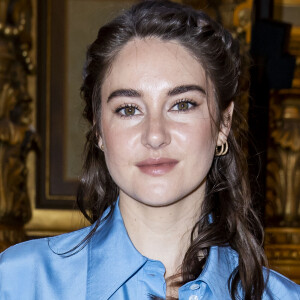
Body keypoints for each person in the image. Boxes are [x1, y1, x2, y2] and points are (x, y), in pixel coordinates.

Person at [0, 0, 299, 299]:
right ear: (99, 130)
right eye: (129, 109)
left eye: (182, 105)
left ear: (223, 123)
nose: (155, 135)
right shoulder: (19, 282)